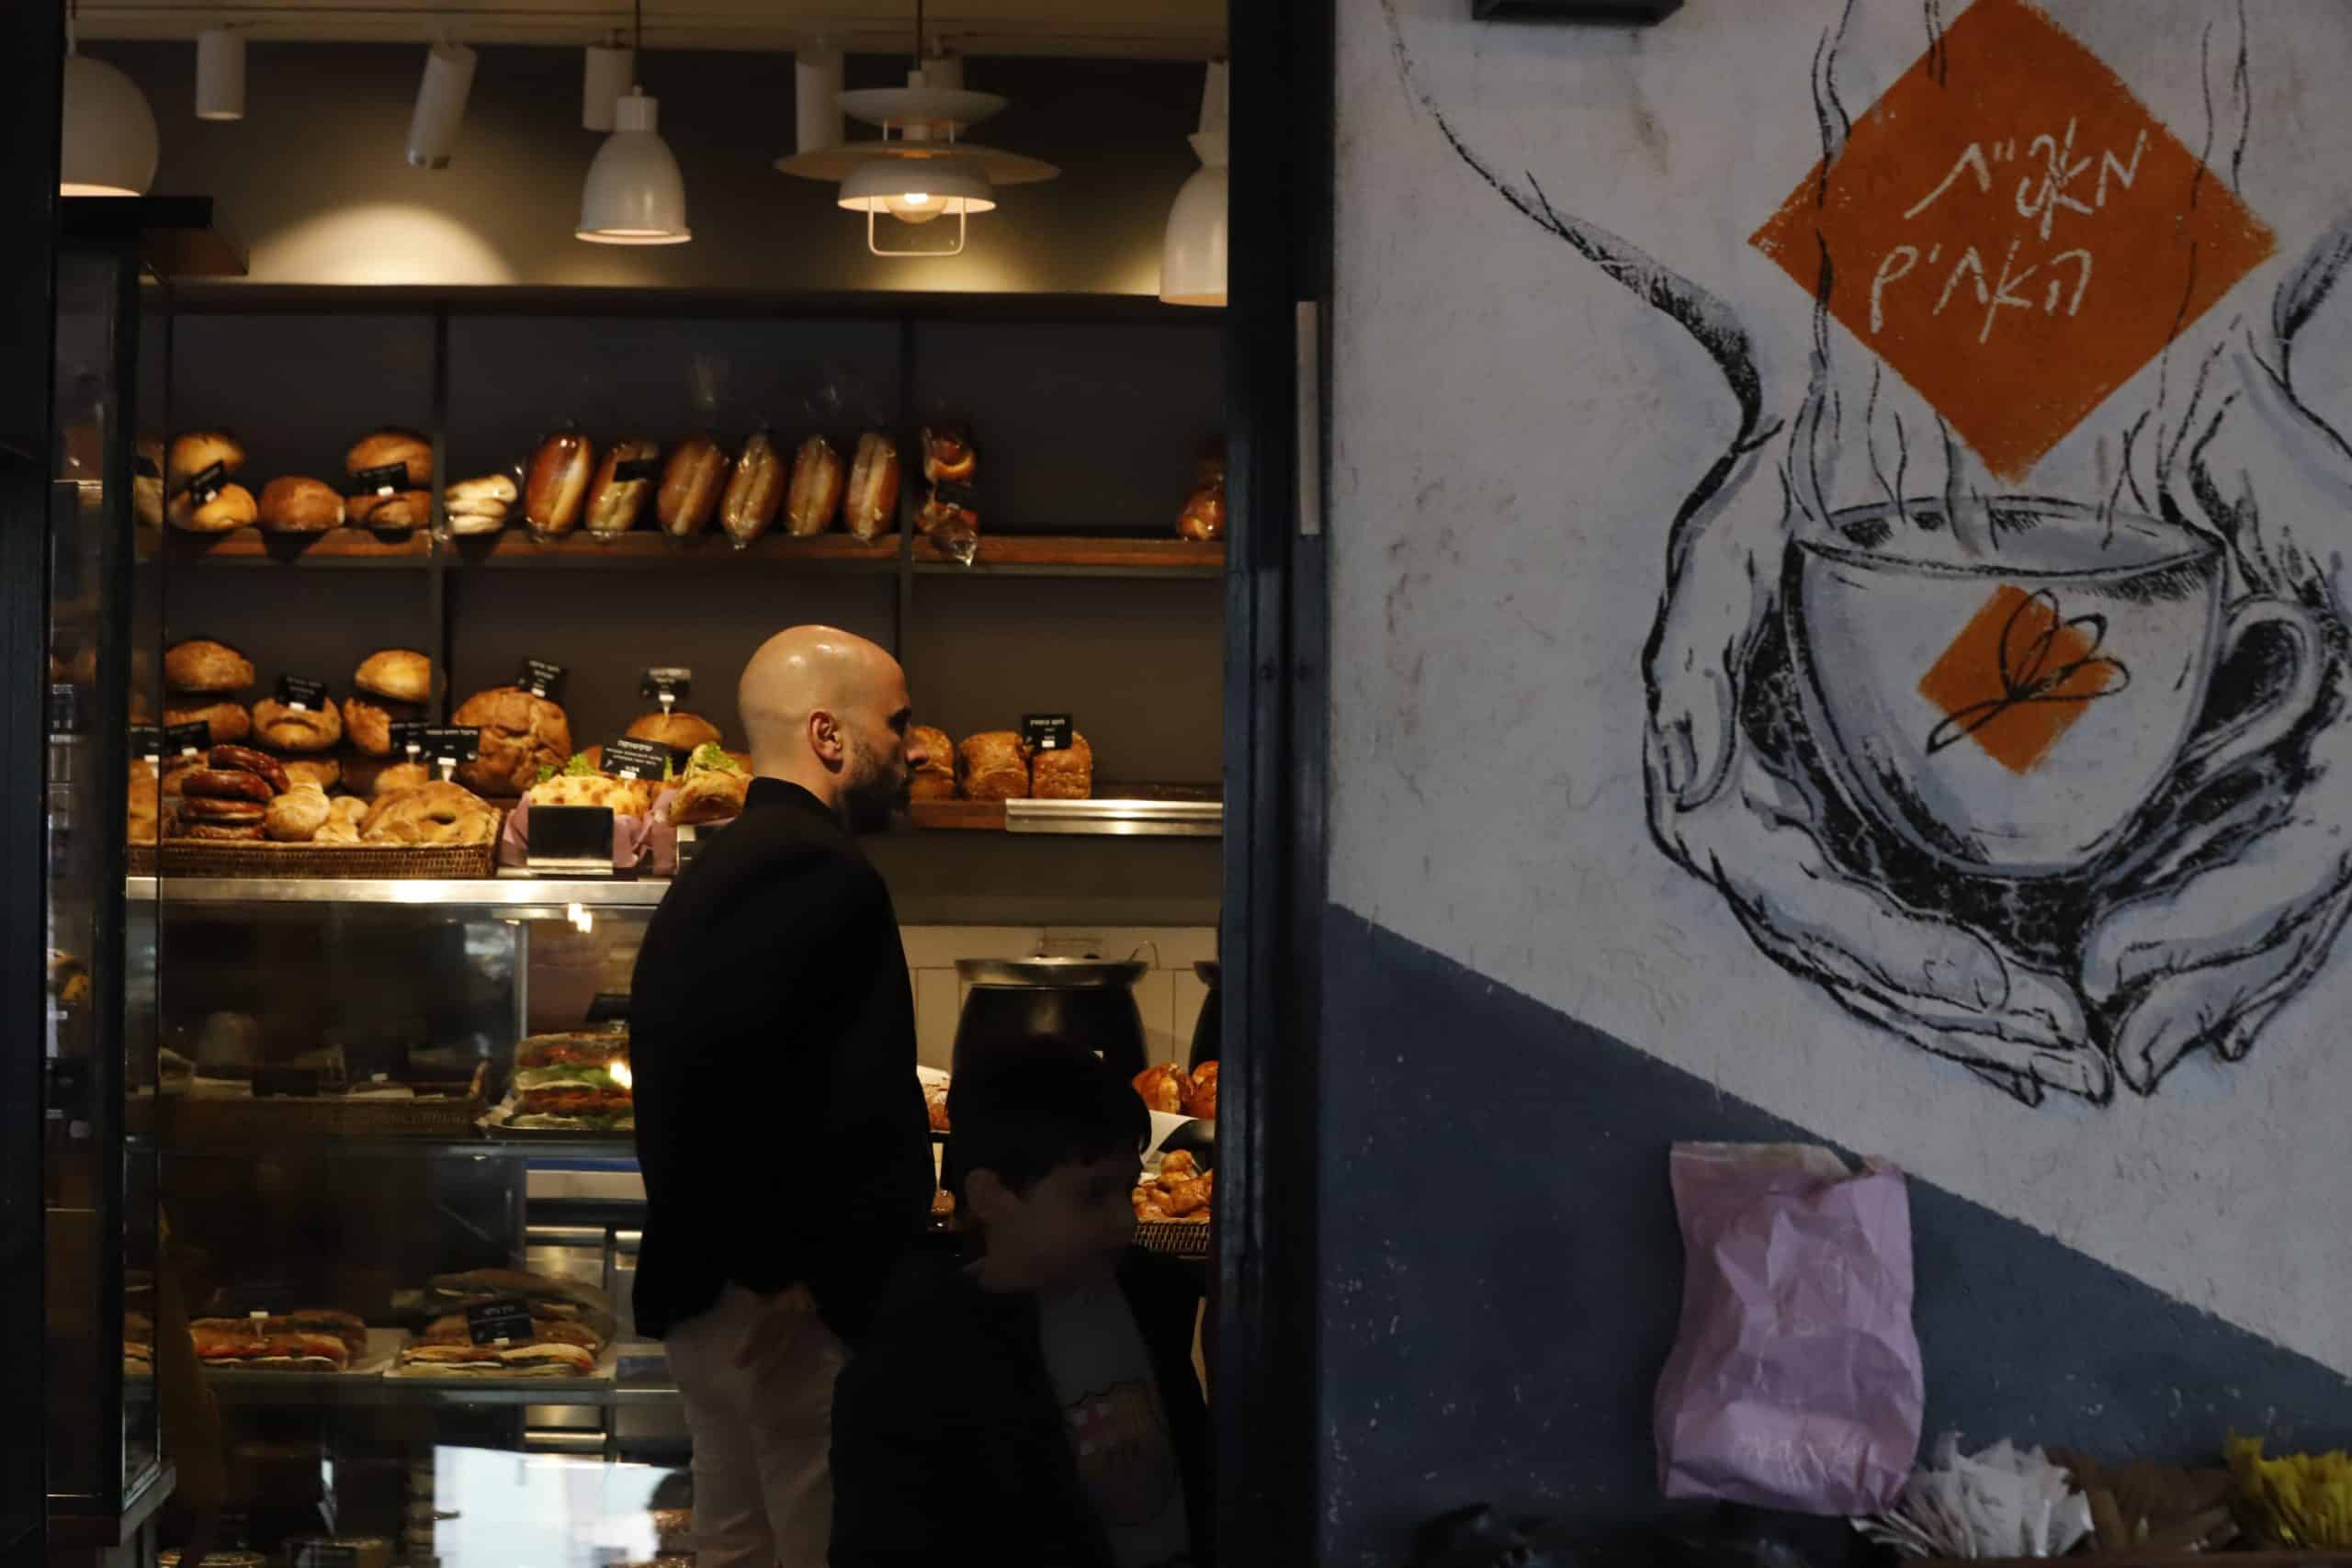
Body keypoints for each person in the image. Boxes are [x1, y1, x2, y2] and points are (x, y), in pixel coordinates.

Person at [629, 625, 938, 1568]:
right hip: (781, 1313)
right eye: (898, 723)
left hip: (718, 1295)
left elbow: (698, 1073)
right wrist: (785, 1276)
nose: (915, 748)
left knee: (735, 1543)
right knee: (821, 1544)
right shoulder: (814, 866)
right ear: (828, 735)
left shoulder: (730, 859)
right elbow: (734, 1080)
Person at [830, 1050, 1210, 1568]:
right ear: (990, 1195)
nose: (1124, 1219)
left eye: (1126, 1190)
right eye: (1092, 1195)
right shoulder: (910, 1370)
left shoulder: (1148, 1300)